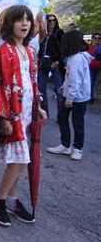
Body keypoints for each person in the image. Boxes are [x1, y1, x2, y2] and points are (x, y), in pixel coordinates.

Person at [0, 5, 47, 227]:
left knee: (18, 159)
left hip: (28, 114)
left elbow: (34, 82)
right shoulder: (2, 51)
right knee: (21, 159)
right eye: (19, 20)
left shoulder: (31, 52)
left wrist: (38, 106)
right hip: (11, 114)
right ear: (10, 24)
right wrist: (1, 117)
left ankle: (11, 200)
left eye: (28, 20)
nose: (25, 24)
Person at [47, 30, 92, 161]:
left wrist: (70, 98)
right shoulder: (76, 57)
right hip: (72, 94)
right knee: (62, 118)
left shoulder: (77, 59)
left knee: (77, 122)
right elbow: (70, 78)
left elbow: (76, 80)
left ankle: (78, 149)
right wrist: (63, 88)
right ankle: (65, 145)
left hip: (77, 97)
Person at [37, 14, 64, 118]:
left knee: (59, 89)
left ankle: (61, 115)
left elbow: (63, 48)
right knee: (41, 89)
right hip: (43, 64)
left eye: (54, 20)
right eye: (50, 20)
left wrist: (57, 61)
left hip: (55, 64)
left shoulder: (59, 32)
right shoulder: (43, 33)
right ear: (46, 22)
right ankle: (44, 114)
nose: (52, 22)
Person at [87, 33, 101, 103]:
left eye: (99, 38)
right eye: (95, 38)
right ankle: (90, 96)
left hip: (98, 67)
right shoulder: (87, 47)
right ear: (92, 39)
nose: (97, 39)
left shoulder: (100, 48)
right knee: (91, 81)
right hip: (89, 67)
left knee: (95, 82)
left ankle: (91, 95)